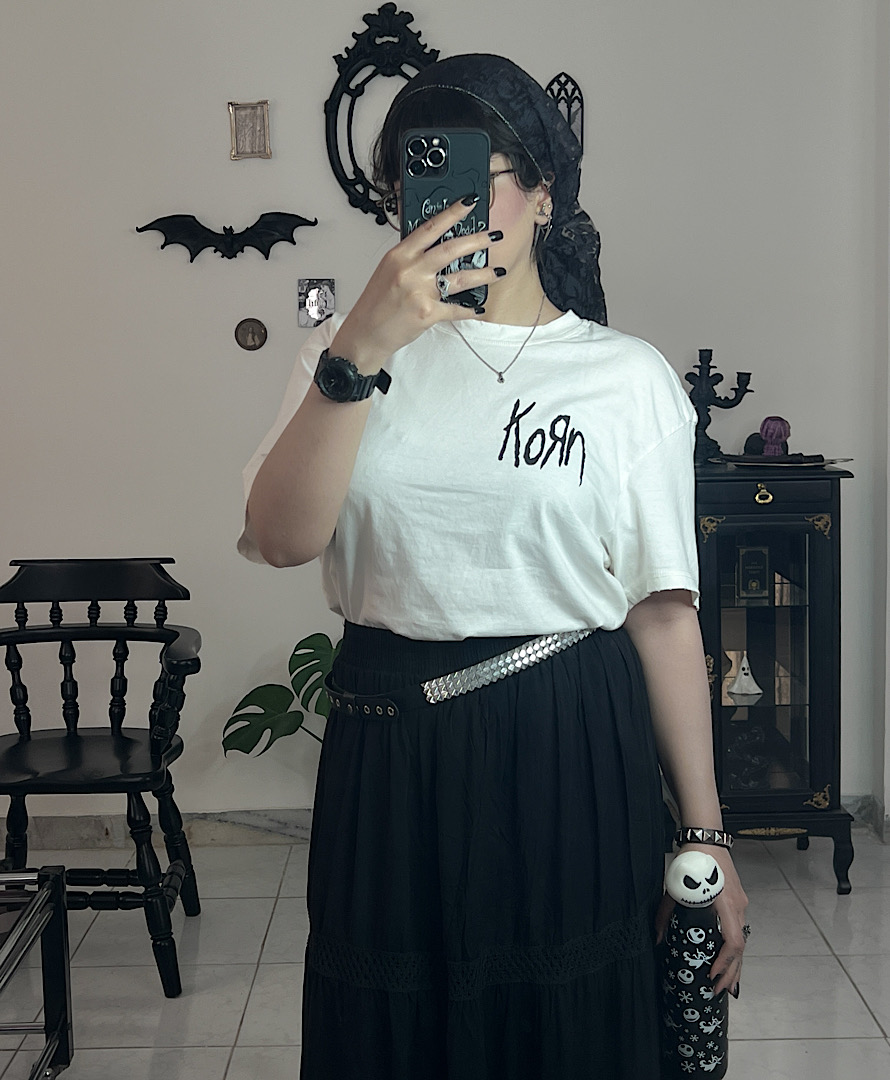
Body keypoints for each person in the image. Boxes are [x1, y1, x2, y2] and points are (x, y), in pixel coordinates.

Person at [238, 53, 748, 1080]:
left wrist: (707, 834)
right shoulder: (338, 359)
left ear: (544, 192)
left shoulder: (624, 379)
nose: (440, 207)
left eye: (475, 174)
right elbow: (283, 539)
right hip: (388, 740)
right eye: (413, 180)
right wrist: (358, 350)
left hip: (568, 736)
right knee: (392, 1030)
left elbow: (661, 615)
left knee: (563, 1025)